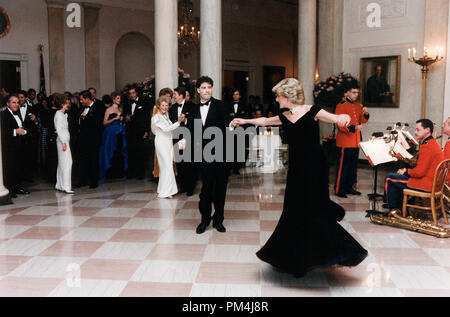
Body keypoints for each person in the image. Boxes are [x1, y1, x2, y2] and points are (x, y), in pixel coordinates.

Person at [232, 78, 368, 277]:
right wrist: (244, 121)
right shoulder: (284, 115)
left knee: (314, 208)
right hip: (296, 169)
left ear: (287, 96)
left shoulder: (313, 110)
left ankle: (328, 251)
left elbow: (335, 118)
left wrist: (344, 118)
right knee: (294, 209)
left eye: (278, 96)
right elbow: (264, 121)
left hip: (315, 167)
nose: (277, 99)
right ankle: (295, 257)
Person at [188, 76, 232, 234]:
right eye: (204, 88)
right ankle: (204, 219)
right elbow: (191, 133)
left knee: (220, 190)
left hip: (220, 155)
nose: (207, 90)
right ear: (198, 90)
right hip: (203, 156)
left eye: (209, 87)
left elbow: (228, 128)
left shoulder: (221, 106)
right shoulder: (193, 110)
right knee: (206, 190)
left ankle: (218, 220)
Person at [383, 119, 444, 210]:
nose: (415, 132)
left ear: (427, 130)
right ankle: (400, 208)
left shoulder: (427, 146)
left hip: (427, 184)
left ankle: (393, 210)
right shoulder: (433, 143)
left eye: (418, 130)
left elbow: (419, 172)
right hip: (434, 183)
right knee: (398, 176)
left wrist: (406, 171)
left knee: (389, 178)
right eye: (415, 130)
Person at [334, 80, 370, 198]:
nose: (356, 95)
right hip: (345, 141)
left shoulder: (358, 106)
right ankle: (339, 189)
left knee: (352, 167)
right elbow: (340, 124)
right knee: (343, 167)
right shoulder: (341, 105)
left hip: (355, 141)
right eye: (354, 92)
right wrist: (355, 127)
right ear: (347, 93)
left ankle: (349, 187)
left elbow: (363, 120)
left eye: (357, 93)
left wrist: (366, 113)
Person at [151, 96, 185, 198]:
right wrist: (178, 122)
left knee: (166, 166)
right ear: (159, 106)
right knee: (167, 166)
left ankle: (163, 190)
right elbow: (166, 129)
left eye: (166, 105)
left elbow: (170, 130)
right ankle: (167, 192)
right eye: (163, 105)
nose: (165, 107)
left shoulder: (166, 116)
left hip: (168, 142)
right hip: (161, 142)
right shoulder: (156, 117)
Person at [0, 94, 30, 198]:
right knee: (10, 168)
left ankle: (18, 188)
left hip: (18, 145)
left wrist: (23, 131)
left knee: (18, 167)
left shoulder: (17, 114)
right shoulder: (3, 114)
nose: (16, 104)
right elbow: (2, 132)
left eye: (17, 102)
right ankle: (10, 190)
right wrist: (15, 131)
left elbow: (20, 127)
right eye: (13, 102)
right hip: (9, 147)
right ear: (7, 103)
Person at [170, 86, 196, 196]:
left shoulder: (192, 106)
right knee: (180, 164)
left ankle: (190, 188)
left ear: (181, 95)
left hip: (189, 138)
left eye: (175, 94)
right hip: (177, 138)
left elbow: (196, 122)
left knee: (189, 164)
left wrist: (185, 120)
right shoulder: (172, 108)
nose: (173, 96)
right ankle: (183, 186)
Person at [123, 86, 152, 180]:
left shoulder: (143, 102)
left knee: (141, 152)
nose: (132, 95)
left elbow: (147, 117)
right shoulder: (127, 103)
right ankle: (132, 173)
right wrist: (125, 117)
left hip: (141, 131)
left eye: (133, 93)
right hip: (130, 131)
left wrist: (147, 131)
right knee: (131, 152)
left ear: (136, 93)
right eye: (130, 93)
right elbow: (124, 114)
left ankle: (140, 174)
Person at [99, 92, 128, 180]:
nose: (120, 100)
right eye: (118, 98)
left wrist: (122, 120)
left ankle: (119, 172)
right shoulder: (109, 109)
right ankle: (110, 173)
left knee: (119, 150)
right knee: (110, 151)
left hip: (120, 132)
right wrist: (115, 118)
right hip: (110, 133)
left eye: (120, 98)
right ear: (113, 99)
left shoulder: (120, 109)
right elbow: (104, 122)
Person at [78, 90, 104, 188]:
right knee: (84, 160)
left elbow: (98, 123)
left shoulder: (98, 108)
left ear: (87, 99)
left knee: (93, 160)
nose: (80, 101)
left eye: (82, 99)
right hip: (83, 139)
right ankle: (83, 180)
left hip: (93, 139)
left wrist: (87, 118)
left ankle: (94, 181)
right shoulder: (81, 108)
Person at [228, 89, 251, 174]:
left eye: (237, 94)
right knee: (230, 149)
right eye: (234, 94)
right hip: (231, 131)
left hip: (241, 130)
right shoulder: (227, 105)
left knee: (239, 149)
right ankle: (229, 167)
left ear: (240, 96)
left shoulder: (245, 106)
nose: (235, 96)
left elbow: (247, 118)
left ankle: (237, 168)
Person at [54, 94, 74, 194]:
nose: (68, 105)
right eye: (67, 103)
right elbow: (58, 129)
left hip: (65, 140)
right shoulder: (58, 114)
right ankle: (66, 186)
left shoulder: (62, 114)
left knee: (62, 163)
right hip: (63, 141)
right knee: (67, 162)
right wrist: (63, 142)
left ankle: (60, 185)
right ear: (62, 104)